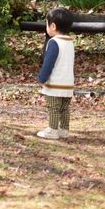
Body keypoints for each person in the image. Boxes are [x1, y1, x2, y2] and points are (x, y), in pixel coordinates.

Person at [36, 8, 75, 140]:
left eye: (47, 23)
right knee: (64, 108)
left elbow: (49, 63)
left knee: (53, 107)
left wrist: (42, 77)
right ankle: (64, 129)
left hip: (55, 84)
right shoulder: (70, 42)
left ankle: (52, 130)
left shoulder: (54, 42)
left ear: (53, 26)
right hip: (68, 83)